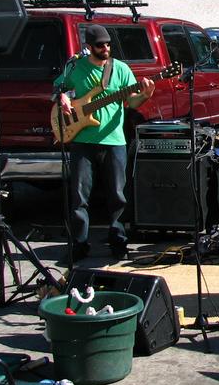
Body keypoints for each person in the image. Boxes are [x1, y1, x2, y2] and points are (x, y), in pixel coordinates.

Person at [54, 24, 154, 261]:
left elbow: (132, 103)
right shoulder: (76, 67)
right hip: (81, 138)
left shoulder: (120, 69)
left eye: (108, 44)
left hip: (114, 140)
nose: (105, 48)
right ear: (89, 47)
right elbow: (59, 88)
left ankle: (118, 242)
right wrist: (63, 98)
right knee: (79, 196)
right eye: (100, 45)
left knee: (117, 195)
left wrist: (145, 94)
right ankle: (79, 243)